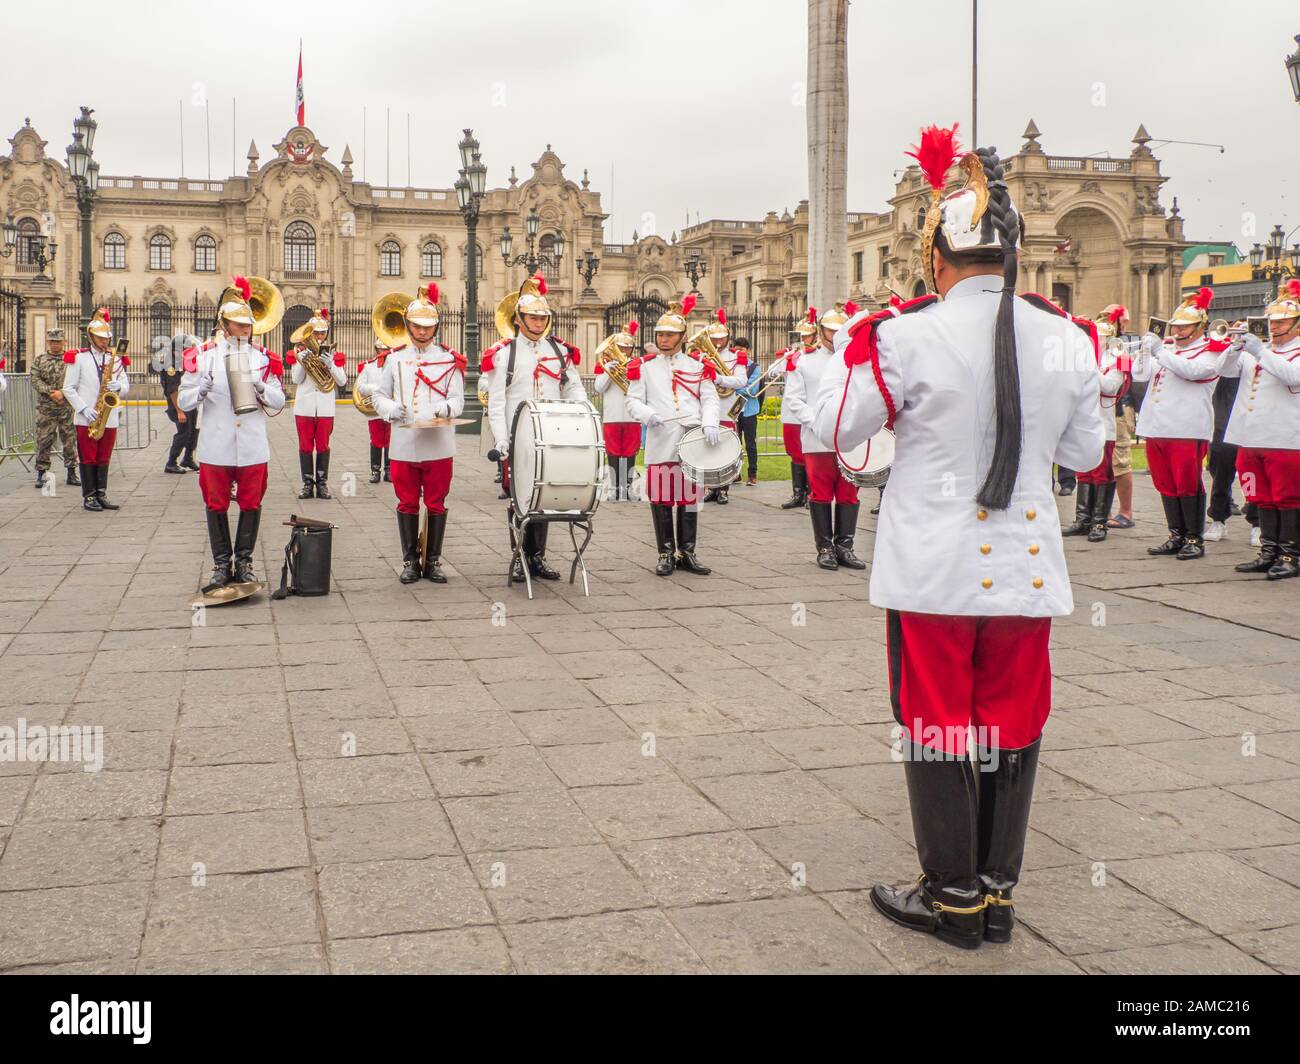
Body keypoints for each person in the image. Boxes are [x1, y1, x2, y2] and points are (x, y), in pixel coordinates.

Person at [812, 129, 1104, 950]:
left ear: (937, 257)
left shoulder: (902, 335)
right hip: (1026, 571)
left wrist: (856, 343)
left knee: (936, 719)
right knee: (1013, 719)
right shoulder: (1070, 337)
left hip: (932, 574)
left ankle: (951, 897)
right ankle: (998, 894)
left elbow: (839, 430)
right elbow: (1084, 456)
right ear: (1012, 257)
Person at [177, 277, 286, 588]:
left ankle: (245, 562)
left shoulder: (263, 358)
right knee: (216, 504)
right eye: (238, 325)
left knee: (251, 503)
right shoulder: (203, 356)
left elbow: (279, 401)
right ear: (224, 325)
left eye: (247, 325)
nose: (245, 330)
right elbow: (183, 401)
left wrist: (263, 386)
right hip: (217, 443)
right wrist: (201, 388)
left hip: (252, 444)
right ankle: (222, 564)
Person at [483, 273, 586, 583]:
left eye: (543, 318)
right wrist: (502, 439)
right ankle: (519, 558)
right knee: (520, 500)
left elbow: (575, 390)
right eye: (532, 317)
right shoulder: (504, 354)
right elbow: (497, 402)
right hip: (519, 438)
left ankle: (537, 556)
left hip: (552, 436)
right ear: (519, 319)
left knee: (545, 497)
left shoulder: (560, 352)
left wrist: (581, 414)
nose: (539, 323)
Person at [370, 284, 466, 585]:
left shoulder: (450, 360)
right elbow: (378, 396)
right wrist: (390, 408)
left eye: (427, 326)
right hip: (404, 442)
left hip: (438, 443)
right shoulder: (395, 359)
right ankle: (410, 560)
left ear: (435, 327)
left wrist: (445, 408)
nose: (422, 332)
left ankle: (433, 560)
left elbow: (459, 400)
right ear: (408, 326)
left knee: (436, 503)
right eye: (416, 326)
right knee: (407, 502)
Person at [625, 294, 721, 576]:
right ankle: (666, 552)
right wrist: (647, 414)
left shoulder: (698, 366)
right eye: (661, 335)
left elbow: (710, 398)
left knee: (690, 499)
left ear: (682, 337)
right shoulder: (643, 366)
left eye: (670, 335)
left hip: (692, 439)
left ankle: (687, 552)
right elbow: (632, 400)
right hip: (660, 437)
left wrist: (711, 422)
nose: (664, 339)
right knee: (662, 499)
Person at [1131, 287, 1230, 560]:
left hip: (1186, 428)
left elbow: (1195, 372)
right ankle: (1176, 534)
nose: (1177, 331)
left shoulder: (1212, 350)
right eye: (1175, 326)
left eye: (1185, 326)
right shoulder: (1168, 350)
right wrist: (1144, 350)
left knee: (1187, 483)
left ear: (1200, 327)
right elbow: (1138, 374)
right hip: (1157, 427)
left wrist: (1160, 351)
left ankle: (1194, 538)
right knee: (1165, 483)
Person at [1224, 280, 1300, 580]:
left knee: (1288, 497)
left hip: (1286, 437)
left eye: (1281, 322)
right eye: (1271, 322)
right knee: (1263, 497)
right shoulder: (1263, 350)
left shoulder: (1288, 353)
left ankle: (1291, 554)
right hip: (1253, 436)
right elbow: (1224, 371)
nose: (1274, 328)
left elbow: (1292, 377)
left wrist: (1259, 352)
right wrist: (1235, 348)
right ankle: (1269, 551)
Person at [786, 302, 866, 570]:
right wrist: (818, 421)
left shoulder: (856, 360)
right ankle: (824, 548)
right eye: (830, 331)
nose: (835, 336)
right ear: (821, 331)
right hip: (817, 437)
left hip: (849, 438)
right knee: (820, 492)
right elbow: (794, 400)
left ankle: (845, 546)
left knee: (849, 493)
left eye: (840, 331)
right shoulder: (804, 361)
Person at [1059, 305, 1128, 542]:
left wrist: (1088, 368)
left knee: (1101, 472)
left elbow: (1110, 387)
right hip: (1082, 421)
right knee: (1084, 472)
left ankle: (1099, 522)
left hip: (1103, 422)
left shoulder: (1119, 357)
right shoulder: (1086, 356)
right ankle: (1083, 519)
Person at [63, 308, 131, 512]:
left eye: (106, 338)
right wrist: (83, 408)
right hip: (87, 418)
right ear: (91, 337)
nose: (105, 342)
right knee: (88, 457)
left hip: (108, 417)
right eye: (101, 338)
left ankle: (101, 493)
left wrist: (119, 387)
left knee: (104, 457)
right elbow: (68, 388)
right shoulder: (79, 358)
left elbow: (126, 384)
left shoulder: (115, 359)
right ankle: (89, 496)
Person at [286, 307, 348, 500]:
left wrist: (330, 365)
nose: (319, 337)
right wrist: (302, 362)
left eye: (322, 333)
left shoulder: (332, 353)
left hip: (324, 408)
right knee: (305, 446)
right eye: (315, 333)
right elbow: (296, 379)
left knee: (323, 446)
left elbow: (342, 381)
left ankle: (322, 484)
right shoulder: (300, 352)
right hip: (304, 407)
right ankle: (307, 484)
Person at [1205, 321, 1247, 542]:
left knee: (1253, 474)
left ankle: (1257, 521)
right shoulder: (1223, 351)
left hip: (1249, 416)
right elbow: (1222, 368)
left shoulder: (1261, 353)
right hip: (1224, 414)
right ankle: (1218, 519)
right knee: (1220, 469)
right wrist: (1234, 345)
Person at [701, 308, 748, 505]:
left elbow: (741, 380)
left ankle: (724, 489)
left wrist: (719, 378)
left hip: (727, 407)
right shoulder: (702, 356)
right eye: (714, 339)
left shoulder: (737, 357)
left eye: (721, 338)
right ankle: (711, 487)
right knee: (708, 450)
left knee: (726, 451)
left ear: (727, 338)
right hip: (707, 409)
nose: (718, 343)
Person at [592, 320, 642, 501]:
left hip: (631, 416)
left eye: (627, 348)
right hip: (612, 415)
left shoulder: (638, 364)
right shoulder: (605, 365)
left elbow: (639, 388)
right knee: (613, 452)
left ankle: (628, 488)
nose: (623, 351)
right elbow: (598, 388)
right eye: (620, 347)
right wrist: (607, 372)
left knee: (630, 453)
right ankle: (614, 488)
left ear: (632, 349)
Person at [777, 313, 818, 509]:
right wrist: (787, 358)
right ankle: (798, 494)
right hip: (790, 412)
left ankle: (812, 493)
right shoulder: (791, 354)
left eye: (806, 336)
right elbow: (773, 371)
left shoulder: (815, 356)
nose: (803, 340)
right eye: (800, 336)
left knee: (809, 452)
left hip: (807, 411)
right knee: (794, 452)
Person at [30, 329, 79, 490]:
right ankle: (42, 473)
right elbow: (35, 379)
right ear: (48, 342)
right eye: (52, 341)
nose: (55, 344)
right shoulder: (40, 360)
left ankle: (71, 473)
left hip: (66, 406)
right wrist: (51, 392)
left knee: (70, 440)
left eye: (58, 341)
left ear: (63, 342)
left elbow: (78, 379)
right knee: (44, 440)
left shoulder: (72, 359)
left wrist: (63, 393)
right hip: (46, 407)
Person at [355, 339, 393, 484]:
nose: (382, 352)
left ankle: (389, 470)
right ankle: (375, 470)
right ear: (376, 350)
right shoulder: (368, 367)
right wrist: (378, 389)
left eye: (385, 350)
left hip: (390, 408)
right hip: (375, 409)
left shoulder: (394, 366)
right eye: (380, 350)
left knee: (390, 441)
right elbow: (361, 387)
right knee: (376, 440)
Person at [162, 333, 200, 474]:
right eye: (185, 349)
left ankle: (188, 459)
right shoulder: (171, 365)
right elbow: (173, 390)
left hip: (188, 402)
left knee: (193, 431)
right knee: (183, 433)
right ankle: (171, 463)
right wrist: (179, 411)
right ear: (176, 350)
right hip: (178, 404)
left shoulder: (182, 361)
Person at [731, 339, 763, 487]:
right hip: (734, 409)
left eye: (742, 350)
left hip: (749, 409)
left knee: (750, 444)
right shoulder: (730, 365)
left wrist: (732, 386)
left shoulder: (754, 367)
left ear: (748, 350)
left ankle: (752, 474)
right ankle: (735, 474)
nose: (738, 353)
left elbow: (753, 390)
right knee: (734, 443)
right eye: (736, 350)